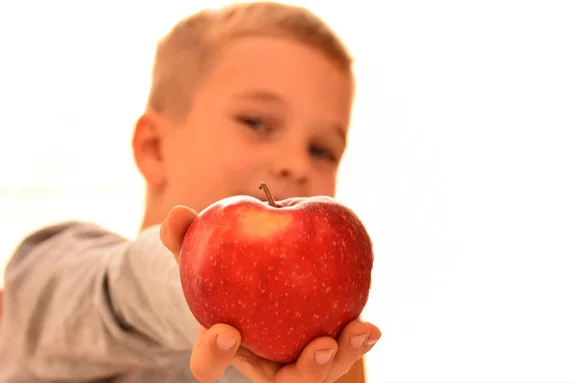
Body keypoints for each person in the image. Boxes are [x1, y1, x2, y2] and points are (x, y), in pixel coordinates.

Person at [0, 2, 381, 382]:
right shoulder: (49, 270)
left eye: (321, 151)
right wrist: (196, 284)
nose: (295, 163)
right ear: (154, 148)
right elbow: (125, 293)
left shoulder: (316, 365)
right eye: (256, 122)